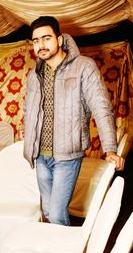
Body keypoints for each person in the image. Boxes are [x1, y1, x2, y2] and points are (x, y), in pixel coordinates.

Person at [23, 16, 125, 226]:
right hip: (40, 156)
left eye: (46, 38)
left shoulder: (83, 67)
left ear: (59, 40)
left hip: (67, 156)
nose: (41, 45)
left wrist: (110, 149)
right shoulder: (35, 74)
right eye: (35, 41)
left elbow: (101, 106)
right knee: (48, 211)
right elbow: (29, 110)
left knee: (58, 214)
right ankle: (58, 251)